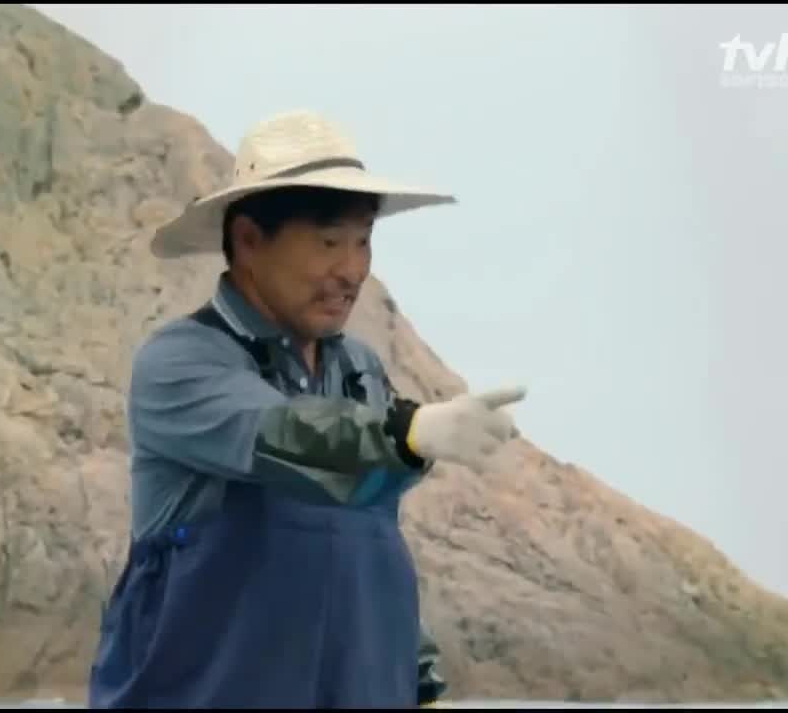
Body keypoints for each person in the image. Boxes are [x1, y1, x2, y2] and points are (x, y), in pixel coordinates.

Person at [87, 110, 527, 709]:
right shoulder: (181, 363)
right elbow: (286, 438)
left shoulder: (360, 371)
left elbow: (369, 550)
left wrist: (421, 687)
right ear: (248, 240)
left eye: (363, 241)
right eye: (328, 242)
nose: (352, 270)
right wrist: (410, 430)